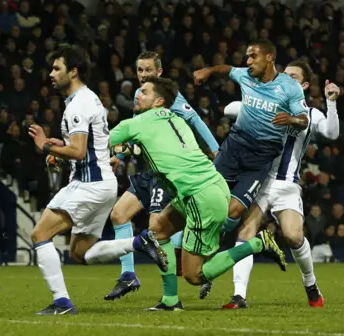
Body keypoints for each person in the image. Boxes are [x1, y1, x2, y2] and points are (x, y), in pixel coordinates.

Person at [83, 77, 287, 306]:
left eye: (145, 92)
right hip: (207, 187)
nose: (138, 95)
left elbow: (93, 145)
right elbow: (154, 146)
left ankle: (258, 243)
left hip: (201, 198)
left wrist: (57, 151)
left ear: (159, 101)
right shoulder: (176, 120)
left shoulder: (138, 122)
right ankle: (170, 301)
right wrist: (126, 150)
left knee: (194, 275)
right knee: (157, 231)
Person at [28, 45, 166, 315]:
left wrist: (46, 146)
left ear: (74, 71)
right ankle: (138, 243)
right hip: (102, 183)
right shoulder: (88, 99)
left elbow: (79, 151)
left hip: (88, 185)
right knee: (79, 253)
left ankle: (62, 303)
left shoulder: (78, 104)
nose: (51, 74)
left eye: (57, 68)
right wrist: (60, 146)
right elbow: (89, 147)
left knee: (39, 234)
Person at [203, 60, 339, 309]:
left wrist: (331, 101)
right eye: (284, 75)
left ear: (305, 85)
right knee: (245, 232)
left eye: (294, 77)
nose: (286, 80)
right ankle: (238, 296)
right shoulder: (265, 104)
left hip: (287, 185)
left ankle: (311, 285)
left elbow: (331, 133)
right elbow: (228, 109)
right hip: (259, 181)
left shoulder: (309, 114)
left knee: (293, 237)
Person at [192, 39, 310, 297]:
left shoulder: (289, 88)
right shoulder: (245, 76)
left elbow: (304, 119)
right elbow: (226, 69)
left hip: (261, 156)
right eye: (246, 57)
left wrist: (291, 118)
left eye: (252, 57)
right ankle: (206, 266)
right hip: (234, 147)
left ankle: (211, 267)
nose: (247, 62)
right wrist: (208, 71)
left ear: (269, 57)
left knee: (233, 212)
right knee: (208, 202)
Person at [104, 52, 220, 310]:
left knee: (159, 230)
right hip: (147, 171)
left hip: (167, 174)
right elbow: (133, 137)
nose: (142, 75)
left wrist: (216, 151)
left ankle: (193, 275)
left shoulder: (168, 97)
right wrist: (118, 158)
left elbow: (195, 120)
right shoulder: (142, 95)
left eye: (147, 70)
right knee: (119, 215)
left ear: (159, 71)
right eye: (139, 70)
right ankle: (128, 275)